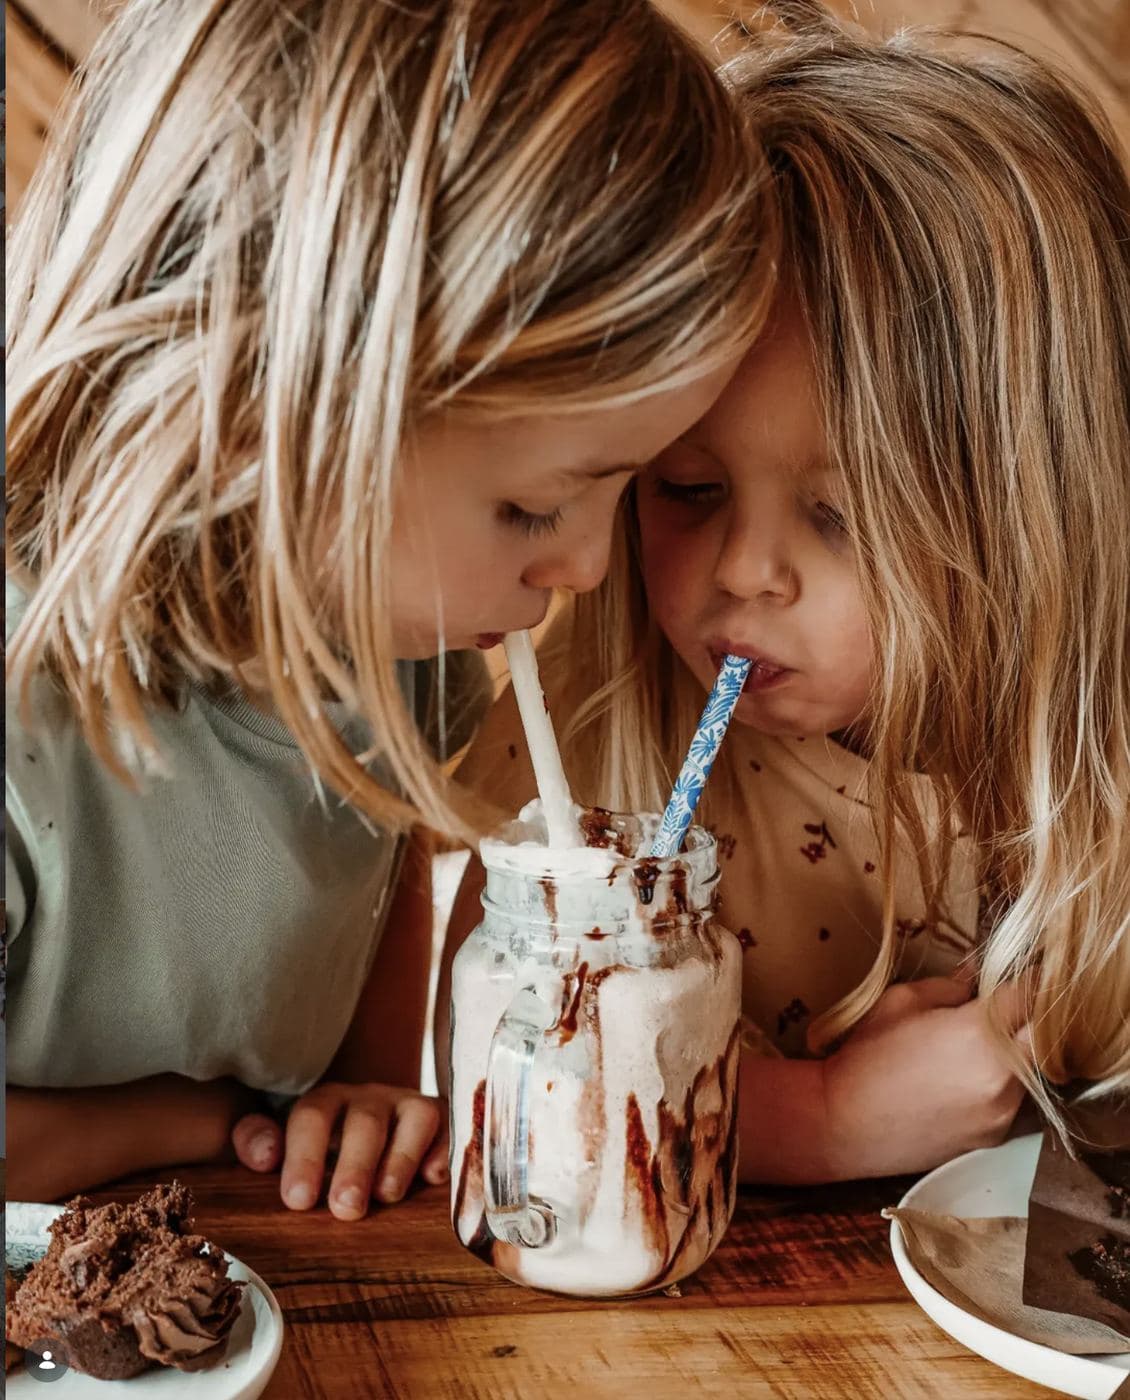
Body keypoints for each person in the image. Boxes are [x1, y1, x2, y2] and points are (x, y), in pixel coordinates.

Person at [5, 0, 777, 1214]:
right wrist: (214, 1122)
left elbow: (374, 868)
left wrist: (357, 1091)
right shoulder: (23, 715)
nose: (584, 566)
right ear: (258, 422)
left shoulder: (396, 649)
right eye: (533, 508)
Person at [443, 8, 1130, 1179]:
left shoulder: (1091, 773)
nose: (742, 570)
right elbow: (494, 1091)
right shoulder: (591, 753)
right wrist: (820, 1117)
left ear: (1034, 519)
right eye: (688, 486)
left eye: (841, 515)